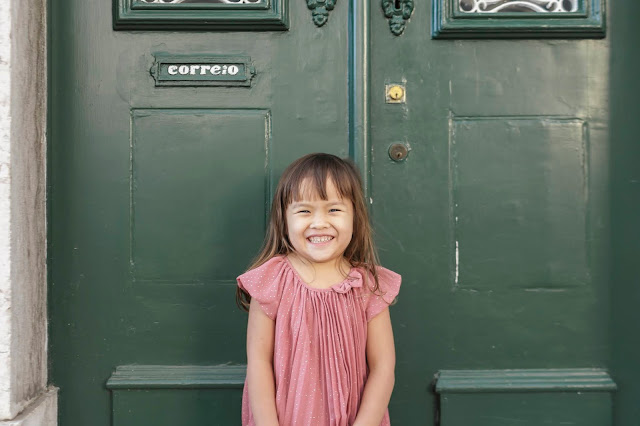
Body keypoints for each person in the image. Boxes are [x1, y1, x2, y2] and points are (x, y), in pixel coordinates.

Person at [236, 153, 401, 426]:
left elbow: (383, 367)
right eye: (304, 211)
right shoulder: (271, 281)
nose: (319, 222)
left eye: (334, 209)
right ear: (284, 219)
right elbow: (258, 364)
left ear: (355, 216)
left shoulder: (368, 285)